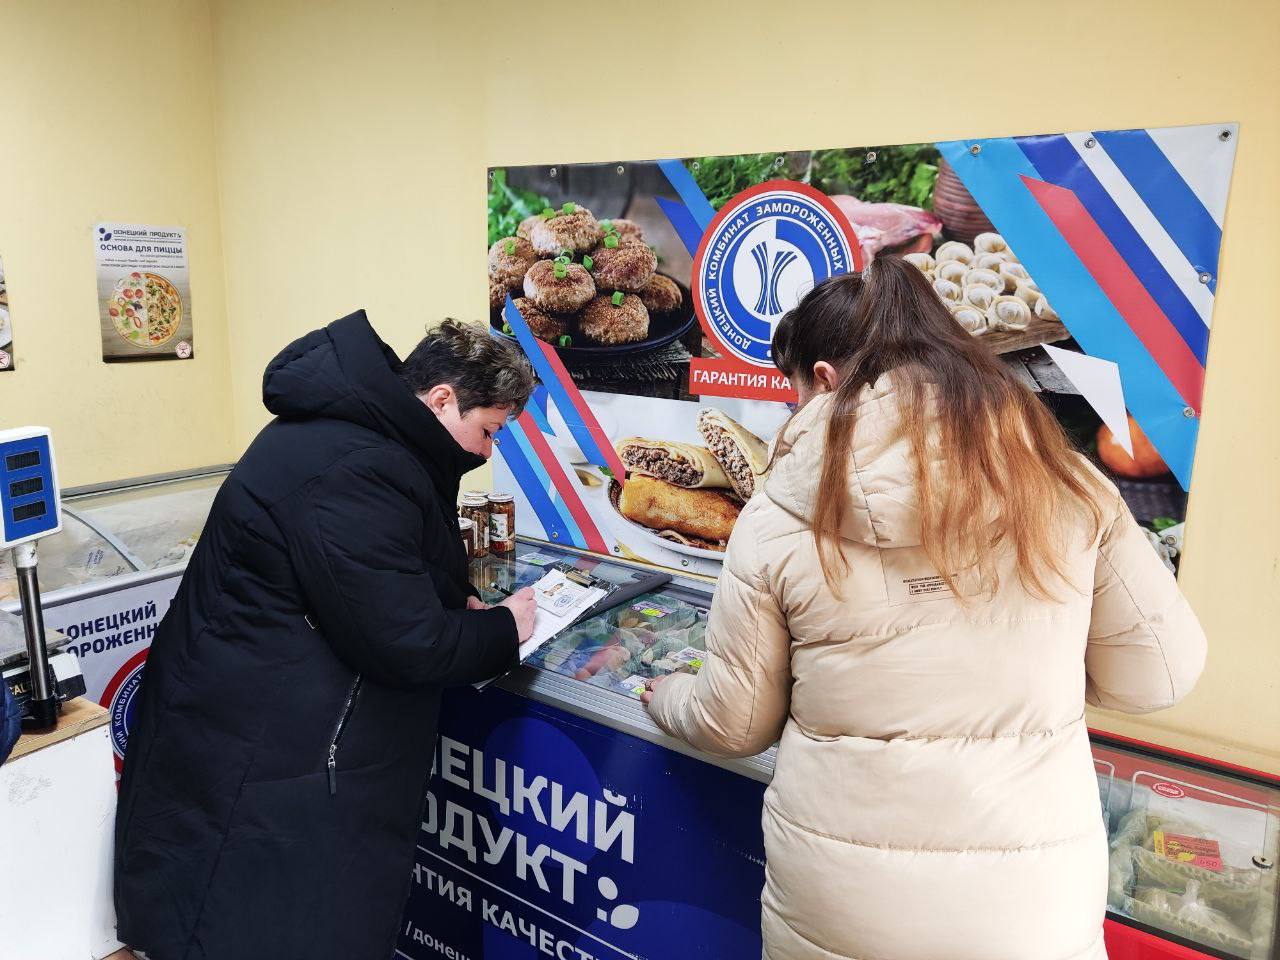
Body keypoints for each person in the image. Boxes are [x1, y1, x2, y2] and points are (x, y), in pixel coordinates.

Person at [645, 259, 1207, 960]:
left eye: (794, 395)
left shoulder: (777, 515)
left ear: (824, 379)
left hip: (846, 907)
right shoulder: (1066, 480)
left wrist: (666, 696)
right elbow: (1159, 676)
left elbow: (734, 724)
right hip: (1030, 909)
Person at [115, 311, 538, 960]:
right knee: (261, 925)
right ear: (441, 399)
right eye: (490, 431)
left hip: (241, 725)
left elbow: (366, 575)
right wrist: (506, 627)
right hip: (268, 755)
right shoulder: (359, 465)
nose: (487, 453)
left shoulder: (351, 435)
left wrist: (454, 602)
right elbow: (405, 643)